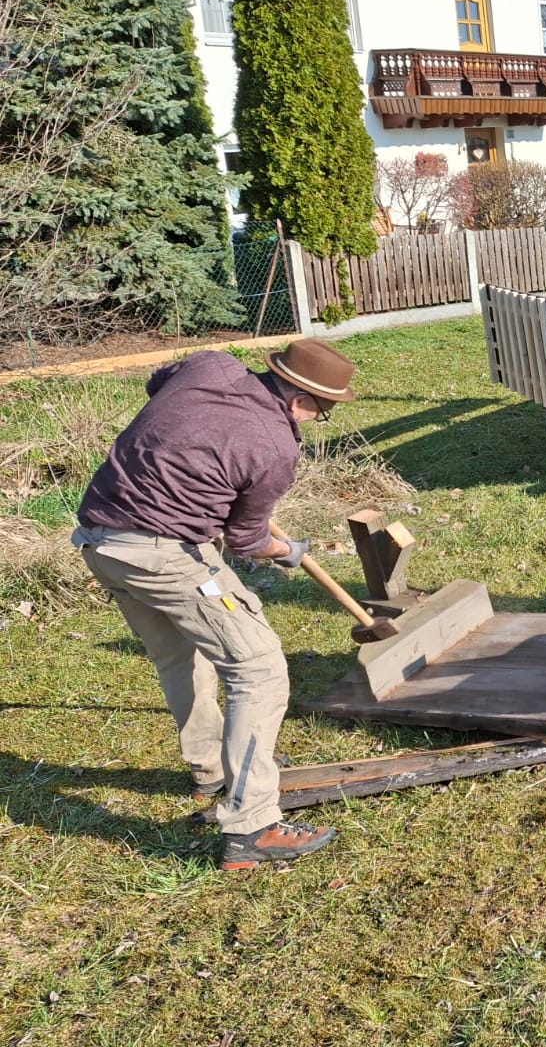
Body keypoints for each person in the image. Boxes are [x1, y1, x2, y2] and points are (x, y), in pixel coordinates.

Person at [73, 340, 358, 870]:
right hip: (164, 555)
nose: (318, 419)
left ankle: (211, 767)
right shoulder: (274, 447)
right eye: (323, 410)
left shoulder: (210, 366)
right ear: (300, 399)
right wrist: (288, 552)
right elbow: (247, 541)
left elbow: (157, 385)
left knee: (180, 655)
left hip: (99, 540)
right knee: (259, 667)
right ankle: (253, 828)